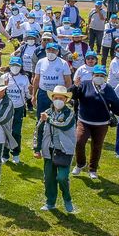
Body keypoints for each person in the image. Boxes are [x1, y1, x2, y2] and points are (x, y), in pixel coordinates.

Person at [69, 65, 119, 179]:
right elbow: (73, 96)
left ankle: (93, 169)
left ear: (105, 77)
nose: (99, 77)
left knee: (97, 146)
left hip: (101, 124)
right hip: (84, 121)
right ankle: (80, 164)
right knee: (79, 141)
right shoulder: (85, 84)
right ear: (92, 76)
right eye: (97, 75)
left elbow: (117, 105)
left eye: (102, 76)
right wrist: (75, 86)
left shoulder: (108, 89)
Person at [33, 85, 78, 213]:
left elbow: (64, 125)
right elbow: (38, 130)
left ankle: (67, 199)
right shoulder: (46, 112)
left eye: (61, 98)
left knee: (62, 177)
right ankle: (50, 202)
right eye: (56, 98)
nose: (58, 100)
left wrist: (49, 120)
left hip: (64, 150)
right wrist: (37, 148)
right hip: (49, 150)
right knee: (49, 178)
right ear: (52, 99)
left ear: (66, 100)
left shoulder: (70, 113)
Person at [2, 56, 30, 164]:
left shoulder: (24, 78)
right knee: (5, 131)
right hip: (6, 108)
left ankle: (16, 153)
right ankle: (5, 154)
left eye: (17, 65)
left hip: (18, 108)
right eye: (13, 65)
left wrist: (31, 93)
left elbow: (28, 94)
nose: (15, 67)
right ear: (9, 66)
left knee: (16, 132)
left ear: (21, 66)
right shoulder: (4, 77)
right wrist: (4, 86)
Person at [32, 43, 72, 117]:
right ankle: (40, 128)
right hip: (43, 93)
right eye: (49, 50)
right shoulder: (40, 62)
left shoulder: (63, 63)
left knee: (57, 115)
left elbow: (68, 81)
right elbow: (36, 79)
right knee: (41, 114)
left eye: (53, 50)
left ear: (57, 52)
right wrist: (33, 95)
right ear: (45, 51)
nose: (51, 52)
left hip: (58, 94)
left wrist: (65, 96)